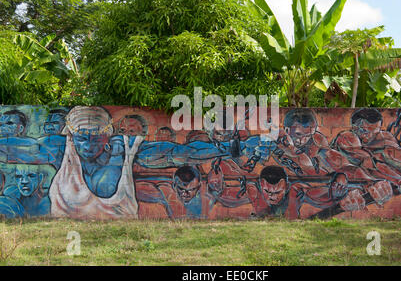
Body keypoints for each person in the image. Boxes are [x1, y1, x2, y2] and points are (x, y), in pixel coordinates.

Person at [0, 106, 241, 219]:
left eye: (95, 137)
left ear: (108, 134)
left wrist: (222, 150)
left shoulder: (127, 148)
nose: (87, 145)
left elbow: (177, 153)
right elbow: (19, 148)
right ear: (71, 135)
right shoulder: (58, 148)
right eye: (81, 138)